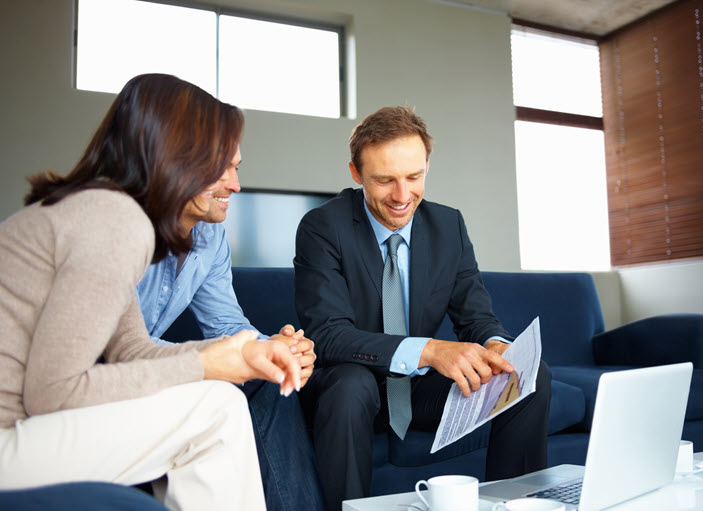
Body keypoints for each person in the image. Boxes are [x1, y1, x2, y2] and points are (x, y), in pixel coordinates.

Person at [0, 73, 303, 511]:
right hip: (12, 438)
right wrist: (203, 365)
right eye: (226, 166)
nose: (236, 185)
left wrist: (236, 354)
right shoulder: (115, 221)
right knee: (217, 409)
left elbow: (130, 349)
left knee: (219, 397)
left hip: (21, 430)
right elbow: (53, 391)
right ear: (179, 157)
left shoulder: (103, 210)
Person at [294, 106, 552, 510]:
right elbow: (327, 335)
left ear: (427, 165)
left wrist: (496, 344)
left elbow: (476, 316)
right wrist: (431, 350)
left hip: (414, 390)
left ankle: (514, 505)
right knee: (350, 385)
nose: (402, 196)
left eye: (414, 177)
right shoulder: (323, 227)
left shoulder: (448, 226)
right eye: (385, 180)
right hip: (350, 387)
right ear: (356, 173)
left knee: (524, 376)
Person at [135, 127, 324, 511]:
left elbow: (225, 324)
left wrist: (269, 348)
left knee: (272, 382)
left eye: (236, 168)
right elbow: (115, 349)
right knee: (223, 395)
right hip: (112, 375)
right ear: (178, 166)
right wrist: (223, 358)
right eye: (221, 170)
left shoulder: (211, 235)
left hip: (159, 368)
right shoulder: (128, 229)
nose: (236, 185)